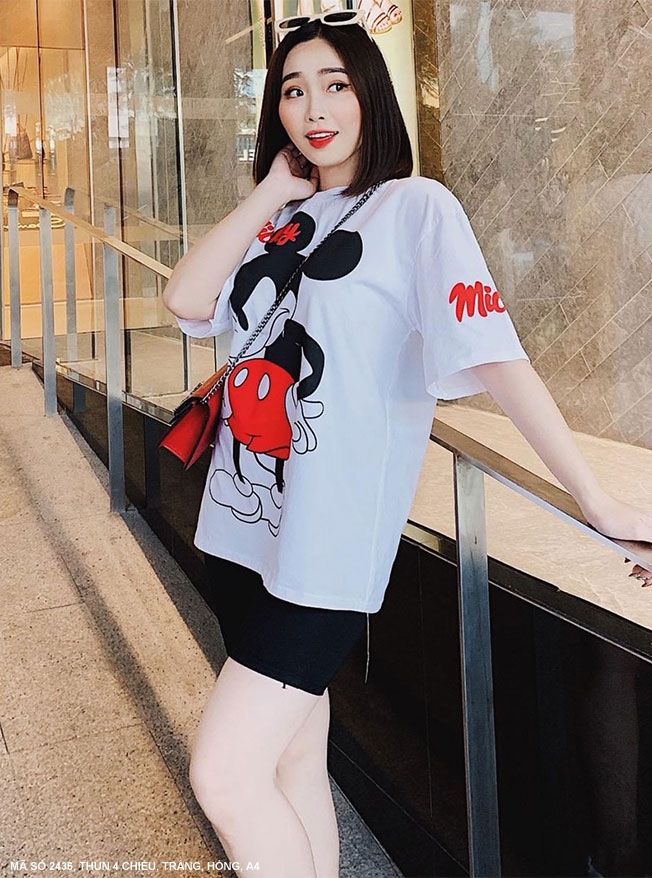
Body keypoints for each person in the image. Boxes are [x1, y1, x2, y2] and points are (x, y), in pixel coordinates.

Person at [161, 14, 652, 878]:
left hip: (323, 551)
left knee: (223, 776)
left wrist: (595, 497)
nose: (314, 108)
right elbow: (187, 298)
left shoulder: (417, 209)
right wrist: (272, 191)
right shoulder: (284, 217)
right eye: (293, 91)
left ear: (372, 94)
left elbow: (497, 358)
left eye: (336, 85)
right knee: (291, 761)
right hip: (240, 530)